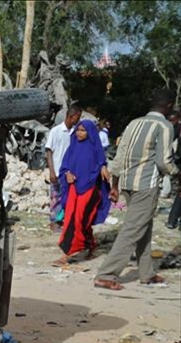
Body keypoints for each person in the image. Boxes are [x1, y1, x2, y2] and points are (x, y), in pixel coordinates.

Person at [94, 89, 178, 290]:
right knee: (132, 230)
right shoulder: (165, 126)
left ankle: (146, 273)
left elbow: (120, 157)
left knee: (144, 227)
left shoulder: (135, 123)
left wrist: (114, 185)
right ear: (168, 106)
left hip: (128, 183)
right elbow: (164, 161)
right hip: (146, 185)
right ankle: (106, 274)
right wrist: (177, 173)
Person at [53, 120, 111, 266]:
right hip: (74, 188)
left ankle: (68, 253)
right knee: (72, 219)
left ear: (90, 132)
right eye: (78, 130)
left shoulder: (95, 148)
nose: (79, 133)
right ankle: (86, 246)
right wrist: (67, 174)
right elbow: (65, 166)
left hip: (90, 188)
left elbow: (101, 164)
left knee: (80, 219)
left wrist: (103, 167)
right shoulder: (73, 147)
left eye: (83, 130)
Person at [45, 105, 83, 231]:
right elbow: (49, 152)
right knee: (56, 198)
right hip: (57, 171)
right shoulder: (55, 131)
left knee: (68, 198)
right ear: (71, 117)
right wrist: (52, 171)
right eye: (77, 118)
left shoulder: (75, 133)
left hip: (70, 173)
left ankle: (66, 222)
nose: (78, 121)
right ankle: (55, 223)